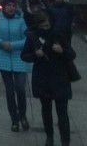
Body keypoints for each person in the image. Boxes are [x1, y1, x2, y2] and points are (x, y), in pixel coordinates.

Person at [22, 8, 77, 146]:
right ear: (38, 26)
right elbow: (24, 56)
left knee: (62, 112)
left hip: (60, 77)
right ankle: (49, 137)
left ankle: (65, 140)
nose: (46, 28)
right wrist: (36, 55)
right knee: (46, 110)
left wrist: (61, 50)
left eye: (47, 25)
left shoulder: (58, 34)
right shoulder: (33, 36)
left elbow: (72, 54)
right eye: (43, 26)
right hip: (43, 78)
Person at [0, 0, 32, 132]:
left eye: (13, 5)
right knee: (10, 91)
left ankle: (23, 115)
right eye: (8, 5)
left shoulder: (20, 20)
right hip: (3, 57)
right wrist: (1, 43)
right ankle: (15, 120)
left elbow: (27, 39)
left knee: (20, 88)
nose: (11, 8)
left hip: (19, 57)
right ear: (4, 6)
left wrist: (12, 45)